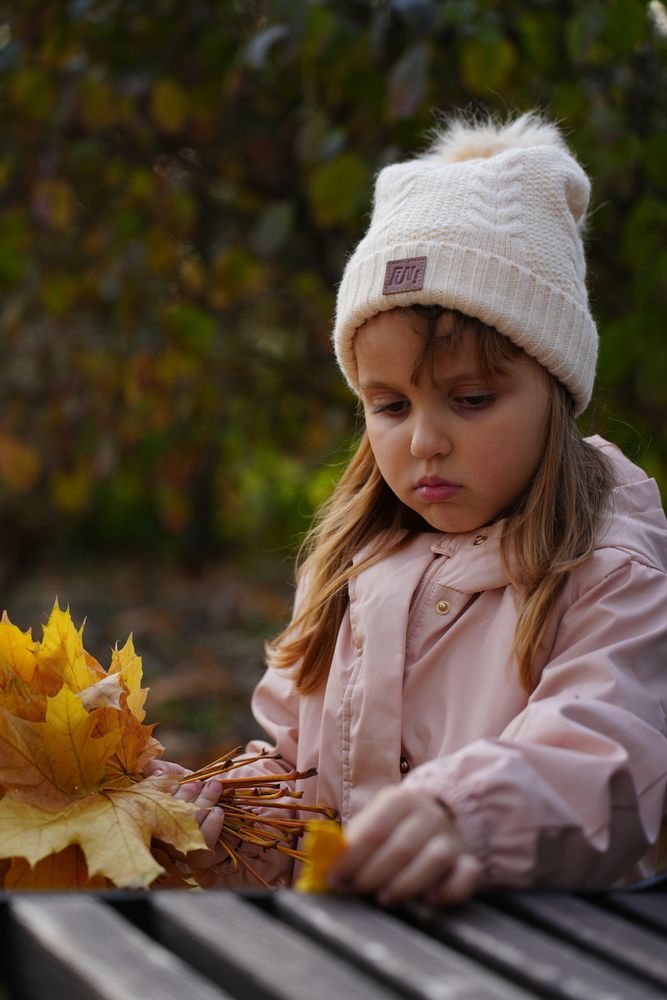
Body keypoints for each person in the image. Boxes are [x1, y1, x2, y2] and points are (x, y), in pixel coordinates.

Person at [154, 111, 667, 905]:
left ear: (554, 390)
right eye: (388, 407)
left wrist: (463, 816)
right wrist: (227, 823)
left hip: (544, 958)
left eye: (470, 398)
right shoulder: (348, 569)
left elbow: (606, 757)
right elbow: (298, 776)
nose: (425, 440)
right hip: (352, 957)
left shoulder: (604, 567)